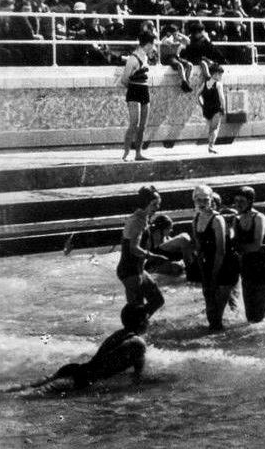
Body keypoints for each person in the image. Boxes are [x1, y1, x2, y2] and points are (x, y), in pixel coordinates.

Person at [14, 304, 150, 392]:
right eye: (147, 319)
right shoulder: (137, 343)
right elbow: (135, 375)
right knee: (29, 396)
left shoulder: (121, 333)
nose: (149, 322)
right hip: (80, 380)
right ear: (142, 322)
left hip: (74, 370)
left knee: (24, 389)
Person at [190, 185, 238, 331]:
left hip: (225, 266)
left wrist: (213, 276)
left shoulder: (218, 220)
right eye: (199, 200)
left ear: (211, 200)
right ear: (194, 201)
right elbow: (199, 248)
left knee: (217, 314)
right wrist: (204, 274)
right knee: (210, 312)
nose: (203, 203)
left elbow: (221, 251)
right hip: (209, 264)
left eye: (206, 199)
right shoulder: (196, 218)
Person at [116, 186, 165, 316]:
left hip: (139, 270)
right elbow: (134, 248)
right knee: (136, 309)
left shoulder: (143, 218)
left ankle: (143, 324)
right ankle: (135, 329)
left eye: (158, 204)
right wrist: (153, 256)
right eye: (154, 204)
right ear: (145, 204)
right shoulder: (137, 221)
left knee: (157, 300)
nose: (157, 207)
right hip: (129, 272)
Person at [231, 187, 265, 324]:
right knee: (250, 317)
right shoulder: (236, 219)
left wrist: (235, 248)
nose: (238, 204)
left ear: (251, 201)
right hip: (248, 268)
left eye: (242, 201)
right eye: (236, 200)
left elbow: (256, 245)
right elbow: (236, 242)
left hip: (264, 268)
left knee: (258, 318)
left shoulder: (259, 218)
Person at [120, 30, 157, 161]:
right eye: (152, 44)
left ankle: (138, 153)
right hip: (134, 91)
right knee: (134, 124)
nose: (153, 47)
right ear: (147, 44)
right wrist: (133, 86)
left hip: (144, 90)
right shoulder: (133, 59)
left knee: (143, 125)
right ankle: (126, 153)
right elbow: (124, 80)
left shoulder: (145, 57)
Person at [199, 63, 226, 153]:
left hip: (206, 108)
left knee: (211, 127)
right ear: (215, 74)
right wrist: (224, 108)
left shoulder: (205, 83)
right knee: (215, 128)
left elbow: (197, 95)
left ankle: (210, 145)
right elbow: (221, 98)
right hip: (216, 109)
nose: (221, 77)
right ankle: (211, 146)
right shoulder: (218, 84)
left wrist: (201, 104)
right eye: (220, 75)